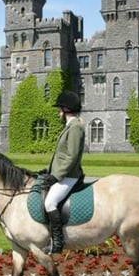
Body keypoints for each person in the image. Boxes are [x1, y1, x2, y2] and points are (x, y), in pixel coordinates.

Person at [40, 89, 85, 254]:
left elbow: (72, 156)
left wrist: (56, 176)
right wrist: (48, 170)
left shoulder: (75, 127)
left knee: (49, 202)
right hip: (64, 173)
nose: (58, 112)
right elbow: (61, 155)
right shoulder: (70, 126)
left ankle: (57, 243)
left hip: (70, 176)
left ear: (66, 109)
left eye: (60, 108)